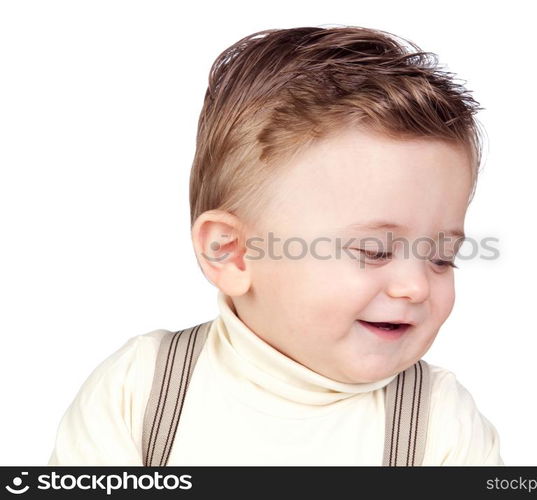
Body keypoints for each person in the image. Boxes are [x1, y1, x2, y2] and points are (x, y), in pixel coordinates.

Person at [48, 25, 503, 466]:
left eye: (441, 257)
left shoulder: (439, 424)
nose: (415, 286)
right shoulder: (141, 392)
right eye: (374, 250)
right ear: (232, 252)